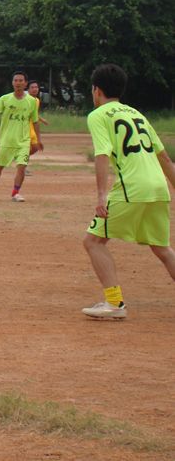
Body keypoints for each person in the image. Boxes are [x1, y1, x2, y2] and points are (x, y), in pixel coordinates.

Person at [82, 64, 175, 319]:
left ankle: (114, 304)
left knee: (93, 241)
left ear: (96, 90)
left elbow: (102, 154)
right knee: (162, 248)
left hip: (133, 187)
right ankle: (114, 304)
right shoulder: (136, 114)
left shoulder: (98, 114)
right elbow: (165, 159)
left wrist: (101, 194)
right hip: (158, 187)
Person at [0, 71, 43, 202]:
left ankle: (15, 193)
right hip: (7, 140)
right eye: (15, 80)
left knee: (22, 167)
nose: (18, 83)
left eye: (21, 81)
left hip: (23, 141)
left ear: (25, 83)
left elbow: (35, 121)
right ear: (12, 83)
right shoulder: (5, 98)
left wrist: (38, 140)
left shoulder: (31, 101)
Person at [25, 80, 50, 175]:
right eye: (32, 87)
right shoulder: (26, 100)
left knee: (35, 147)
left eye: (36, 87)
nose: (34, 89)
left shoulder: (37, 101)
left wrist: (42, 119)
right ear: (28, 90)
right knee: (28, 147)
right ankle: (23, 167)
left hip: (32, 126)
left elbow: (34, 114)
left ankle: (20, 159)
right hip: (25, 126)